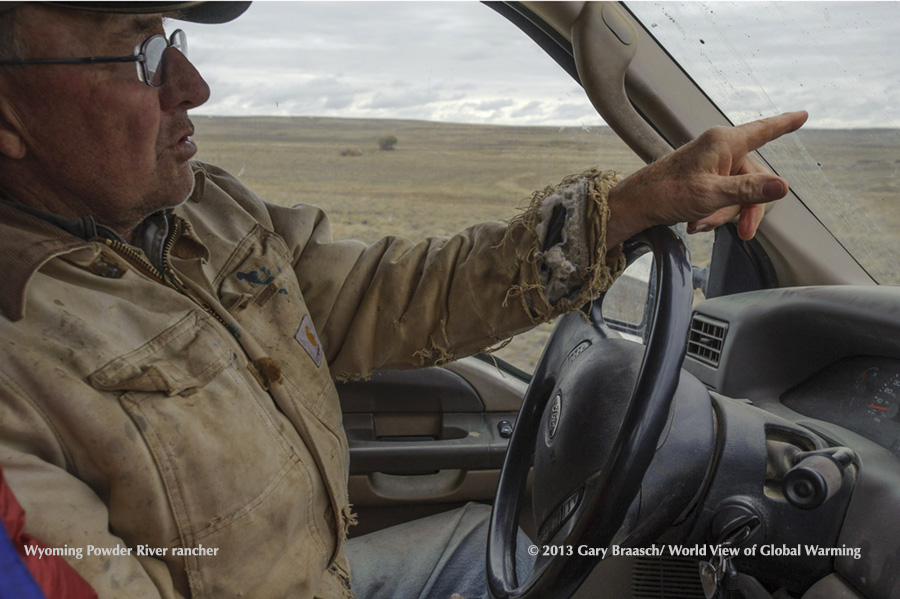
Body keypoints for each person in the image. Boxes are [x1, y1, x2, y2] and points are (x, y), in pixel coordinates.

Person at [0, 2, 807, 598]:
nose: (194, 84)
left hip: (333, 578)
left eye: (169, 40)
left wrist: (631, 206)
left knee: (542, 560)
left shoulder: (205, 212)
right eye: (138, 53)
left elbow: (391, 292)